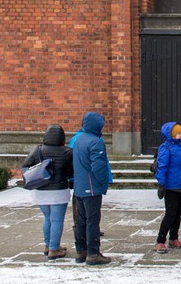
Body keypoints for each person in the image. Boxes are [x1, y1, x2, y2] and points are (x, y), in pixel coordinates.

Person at [22, 124, 74, 260]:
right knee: (57, 220)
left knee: (48, 218)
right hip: (59, 190)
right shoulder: (68, 152)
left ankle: (48, 245)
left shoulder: (38, 150)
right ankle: (54, 248)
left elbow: (25, 166)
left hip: (41, 189)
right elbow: (72, 171)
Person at [72, 111, 111, 265]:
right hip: (92, 187)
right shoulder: (96, 142)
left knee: (81, 220)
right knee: (93, 221)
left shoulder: (78, 139)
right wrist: (103, 183)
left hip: (80, 187)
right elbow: (99, 167)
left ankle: (81, 251)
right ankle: (93, 253)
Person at [153, 122, 181, 253]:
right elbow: (162, 166)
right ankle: (160, 241)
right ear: (171, 135)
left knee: (178, 214)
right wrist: (161, 184)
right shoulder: (166, 148)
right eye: (179, 133)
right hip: (172, 186)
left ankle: (174, 238)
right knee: (170, 214)